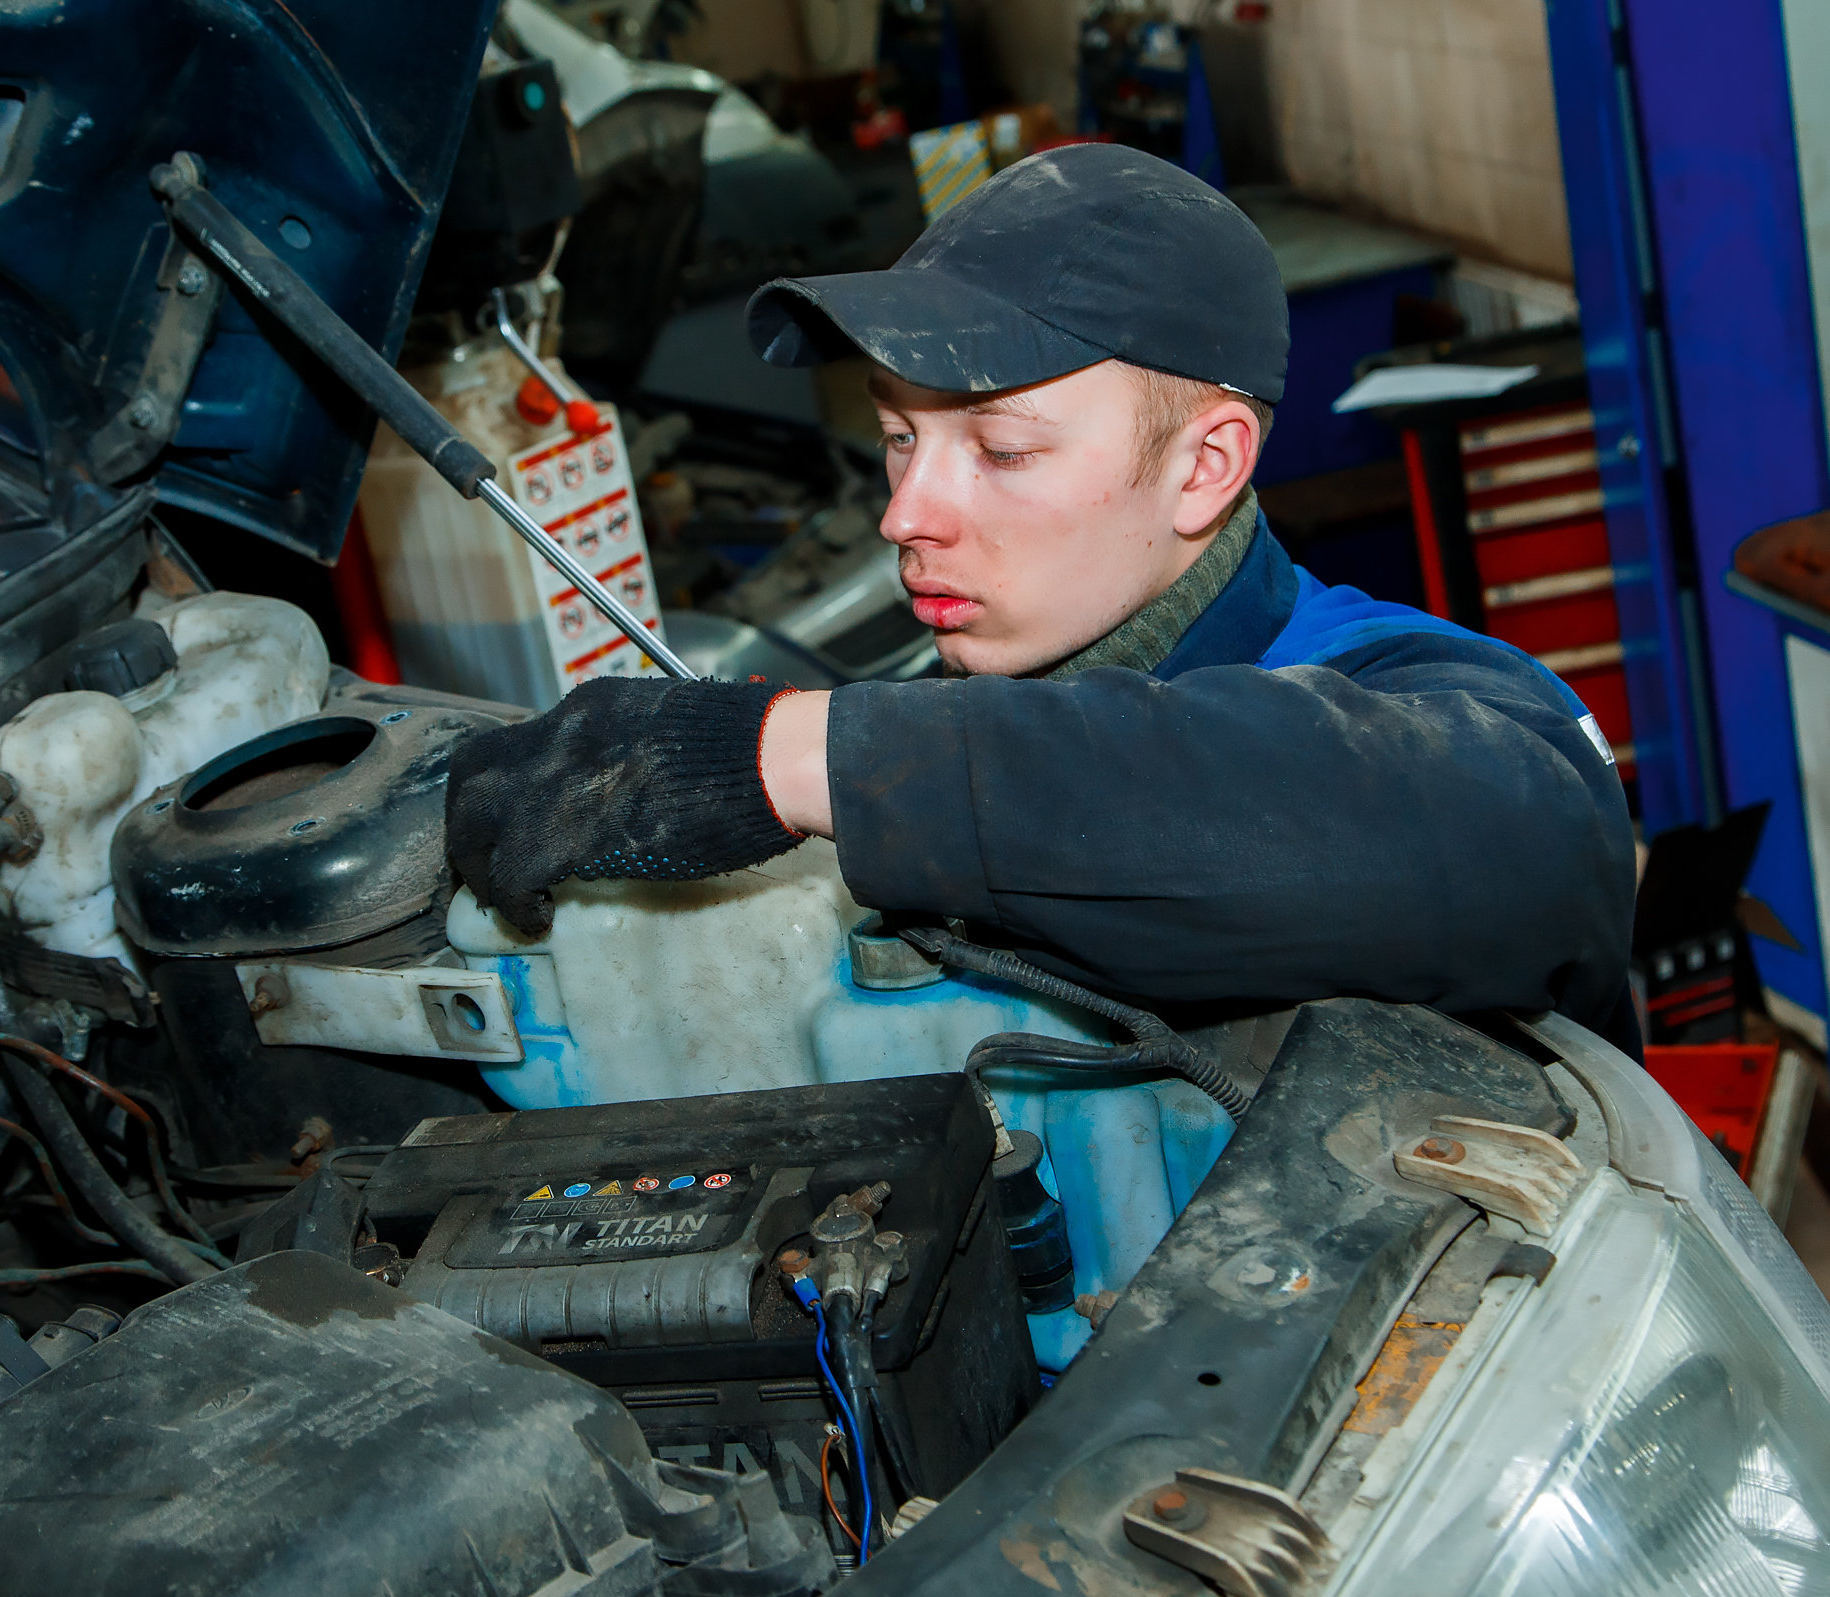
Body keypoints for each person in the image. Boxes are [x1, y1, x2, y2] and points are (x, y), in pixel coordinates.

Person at [445, 145, 1637, 1047]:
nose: (906, 513)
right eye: (899, 441)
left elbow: (1527, 842)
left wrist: (774, 755)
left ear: (1204, 466)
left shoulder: (1427, 699)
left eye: (1002, 450)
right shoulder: (962, 685)